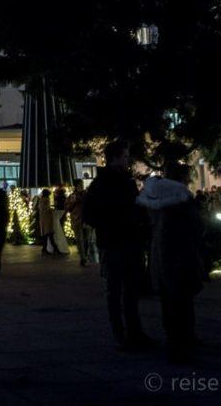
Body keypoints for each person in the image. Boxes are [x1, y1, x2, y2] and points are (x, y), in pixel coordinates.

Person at [82, 140, 153, 350]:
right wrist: (111, 225)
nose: (127, 160)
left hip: (130, 240)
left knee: (131, 290)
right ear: (113, 158)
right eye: (124, 156)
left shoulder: (126, 181)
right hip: (114, 242)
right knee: (115, 290)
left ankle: (135, 332)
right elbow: (90, 214)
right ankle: (121, 334)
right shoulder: (102, 184)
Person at [137, 163, 207, 363]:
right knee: (181, 300)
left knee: (169, 301)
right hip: (180, 255)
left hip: (162, 255)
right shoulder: (181, 200)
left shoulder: (155, 201)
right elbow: (197, 227)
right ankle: (181, 342)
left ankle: (174, 339)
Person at [66, 181, 89, 266]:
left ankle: (85, 256)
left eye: (82, 184)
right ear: (76, 186)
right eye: (80, 185)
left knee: (86, 239)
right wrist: (73, 202)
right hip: (77, 220)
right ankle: (83, 258)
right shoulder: (72, 196)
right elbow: (68, 208)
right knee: (80, 239)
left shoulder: (86, 195)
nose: (82, 186)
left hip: (86, 219)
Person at [38, 188, 60, 254]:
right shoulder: (46, 200)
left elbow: (41, 209)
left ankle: (45, 249)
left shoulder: (41, 200)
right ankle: (55, 249)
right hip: (47, 219)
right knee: (50, 235)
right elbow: (47, 209)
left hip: (43, 219)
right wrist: (52, 209)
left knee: (46, 235)